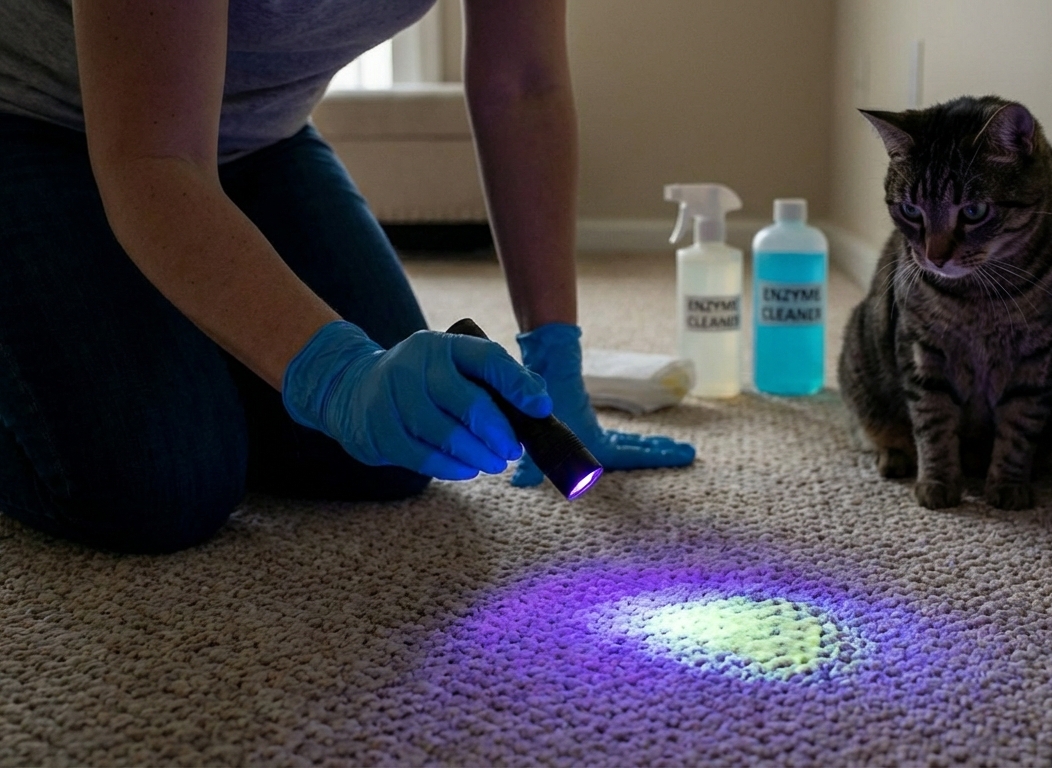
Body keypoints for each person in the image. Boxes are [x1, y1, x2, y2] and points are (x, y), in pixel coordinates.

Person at [0, 0, 695, 554]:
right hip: (34, 120)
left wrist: (555, 359)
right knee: (159, 485)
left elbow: (523, 85)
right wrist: (335, 375)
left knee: (395, 455)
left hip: (259, 137)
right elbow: (154, 160)